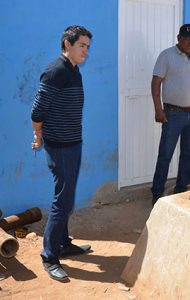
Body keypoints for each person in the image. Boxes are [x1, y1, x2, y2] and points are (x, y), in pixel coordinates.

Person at [31, 25, 92, 281]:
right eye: (82, 46)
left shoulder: (73, 71)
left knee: (67, 196)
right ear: (67, 44)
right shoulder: (56, 71)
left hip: (73, 142)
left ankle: (63, 244)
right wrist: (38, 135)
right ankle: (49, 256)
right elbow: (37, 111)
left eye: (88, 47)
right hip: (61, 146)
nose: (86, 51)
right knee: (62, 200)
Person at [150, 24, 190, 205]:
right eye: (187, 39)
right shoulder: (166, 56)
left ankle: (181, 191)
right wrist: (158, 110)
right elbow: (156, 83)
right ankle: (157, 195)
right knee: (165, 155)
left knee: (188, 155)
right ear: (179, 38)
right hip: (173, 113)